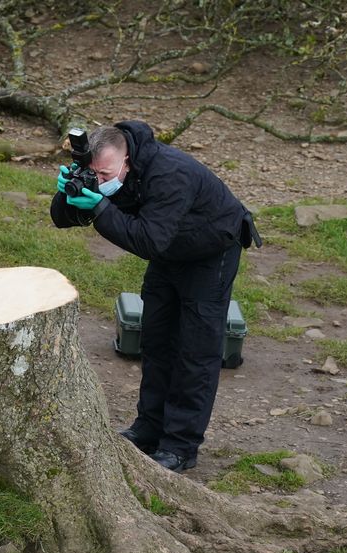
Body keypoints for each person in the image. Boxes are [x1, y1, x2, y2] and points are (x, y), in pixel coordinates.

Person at [50, 120, 260, 472]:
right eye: (93, 174)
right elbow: (63, 219)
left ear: (127, 161)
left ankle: (180, 445)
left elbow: (148, 241)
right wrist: (67, 195)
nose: (99, 182)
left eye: (105, 174)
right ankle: (148, 429)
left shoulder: (169, 174)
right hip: (170, 249)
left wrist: (100, 208)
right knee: (157, 338)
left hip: (211, 250)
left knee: (195, 349)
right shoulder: (103, 170)